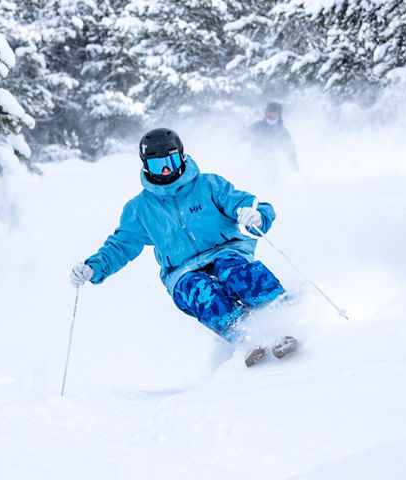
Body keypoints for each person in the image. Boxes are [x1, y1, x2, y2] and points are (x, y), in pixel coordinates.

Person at [69, 128, 296, 366]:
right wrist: (94, 267)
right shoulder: (140, 208)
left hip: (225, 250)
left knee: (235, 272)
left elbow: (246, 202)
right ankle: (245, 336)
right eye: (158, 166)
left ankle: (283, 319)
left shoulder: (209, 185)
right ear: (146, 166)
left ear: (182, 157)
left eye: (171, 161)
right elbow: (121, 245)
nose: (166, 170)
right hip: (181, 271)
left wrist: (255, 214)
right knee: (200, 290)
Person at [248, 102, 299, 172]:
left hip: (271, 166)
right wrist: (243, 134)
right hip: (253, 161)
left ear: (278, 116)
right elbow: (244, 135)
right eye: (268, 115)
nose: (270, 118)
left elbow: (290, 149)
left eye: (273, 115)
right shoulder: (258, 126)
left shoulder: (282, 132)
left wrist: (293, 164)